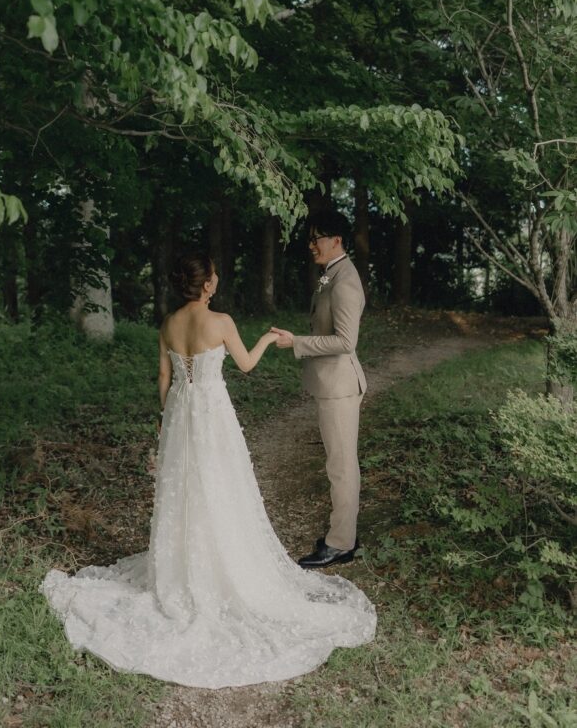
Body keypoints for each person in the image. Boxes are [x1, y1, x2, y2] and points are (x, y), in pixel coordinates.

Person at [40, 252, 375, 689]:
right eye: (214, 276)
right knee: (222, 487)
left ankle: (183, 565)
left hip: (181, 417)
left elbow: (164, 379)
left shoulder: (168, 325)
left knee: (185, 489)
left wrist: (173, 413)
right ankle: (223, 562)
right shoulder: (222, 322)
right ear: (208, 285)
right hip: (214, 417)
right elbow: (247, 365)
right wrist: (269, 341)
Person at [272, 211, 368, 569]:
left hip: (341, 386)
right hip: (332, 384)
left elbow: (345, 341)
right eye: (310, 239)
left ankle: (341, 543)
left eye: (317, 239)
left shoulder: (344, 281)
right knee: (339, 464)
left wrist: (297, 342)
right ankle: (343, 533)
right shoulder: (332, 274)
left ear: (337, 241)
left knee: (341, 466)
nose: (311, 245)